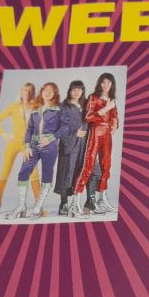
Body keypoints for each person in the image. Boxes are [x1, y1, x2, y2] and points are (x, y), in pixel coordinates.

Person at [5, 82, 65, 220]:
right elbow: (29, 129)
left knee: (46, 174)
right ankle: (21, 206)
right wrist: (26, 145)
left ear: (55, 93)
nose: (47, 92)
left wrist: (52, 137)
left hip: (50, 146)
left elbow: (65, 127)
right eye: (45, 90)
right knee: (23, 171)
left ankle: (38, 208)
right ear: (41, 92)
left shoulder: (59, 109)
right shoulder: (36, 108)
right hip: (33, 145)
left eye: (51, 90)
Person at [0, 83, 42, 215]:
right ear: (21, 92)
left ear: (32, 92)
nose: (26, 93)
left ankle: (38, 205)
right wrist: (4, 134)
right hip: (14, 142)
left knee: (34, 173)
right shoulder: (13, 106)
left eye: (29, 91)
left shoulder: (36, 106)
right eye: (24, 90)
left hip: (28, 144)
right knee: (5, 171)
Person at [72, 73, 119, 215]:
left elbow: (115, 116)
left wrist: (115, 124)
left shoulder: (112, 99)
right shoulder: (93, 97)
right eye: (103, 82)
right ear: (99, 83)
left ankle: (102, 199)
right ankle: (75, 203)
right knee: (88, 165)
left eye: (109, 82)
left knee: (106, 166)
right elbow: (88, 117)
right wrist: (105, 109)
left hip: (107, 134)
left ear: (112, 84)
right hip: (95, 132)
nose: (106, 85)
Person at [53, 81, 89, 216]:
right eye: (74, 89)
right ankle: (63, 204)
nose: (76, 92)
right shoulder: (62, 107)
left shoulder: (85, 107)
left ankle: (76, 203)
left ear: (82, 91)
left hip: (83, 145)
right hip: (68, 144)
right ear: (69, 91)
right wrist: (74, 134)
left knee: (79, 171)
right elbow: (58, 127)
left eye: (79, 89)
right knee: (66, 172)